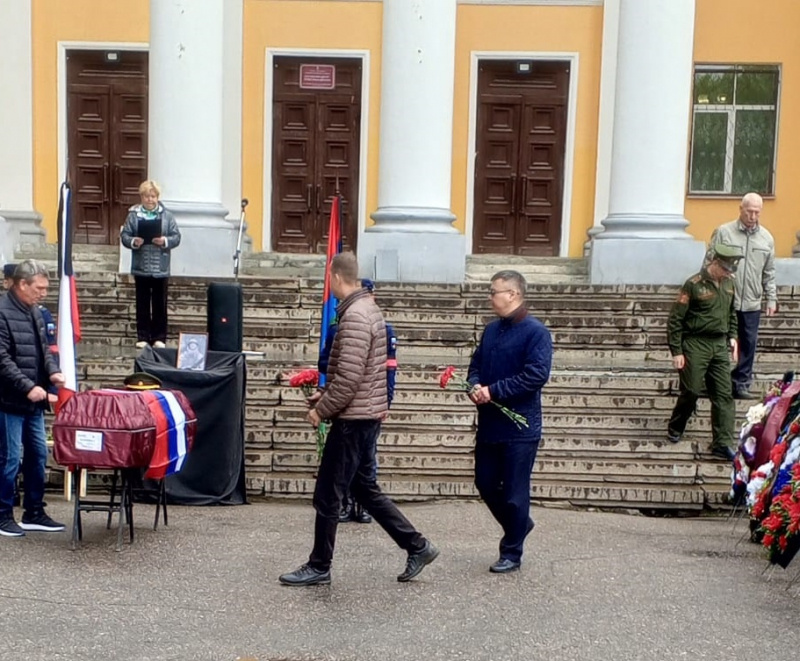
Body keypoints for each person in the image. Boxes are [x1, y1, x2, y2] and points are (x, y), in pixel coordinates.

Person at [279, 252, 438, 586]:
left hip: (354, 419)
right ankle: (417, 545)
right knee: (363, 488)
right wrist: (324, 394)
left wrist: (320, 410)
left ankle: (319, 565)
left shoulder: (354, 316)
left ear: (336, 277)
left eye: (328, 278)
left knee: (327, 493)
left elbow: (350, 380)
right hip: (365, 414)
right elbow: (357, 372)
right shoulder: (366, 309)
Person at [467, 270, 552, 574]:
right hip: (490, 422)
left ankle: (511, 552)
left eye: (494, 291)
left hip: (520, 427)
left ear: (513, 294)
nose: (491, 296)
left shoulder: (536, 332)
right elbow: (475, 364)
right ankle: (520, 526)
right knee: (485, 482)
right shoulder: (491, 330)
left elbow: (536, 375)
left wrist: (495, 391)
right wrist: (474, 385)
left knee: (515, 492)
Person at [318, 278, 398, 525]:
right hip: (352, 407)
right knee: (346, 478)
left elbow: (388, 368)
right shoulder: (339, 326)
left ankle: (362, 509)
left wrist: (386, 399)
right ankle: (345, 505)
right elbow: (328, 363)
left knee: (365, 468)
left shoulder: (381, 326)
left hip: (364, 409)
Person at [0, 260, 67, 537]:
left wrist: (53, 374)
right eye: (38, 288)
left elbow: (45, 351)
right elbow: (1, 359)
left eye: (46, 288)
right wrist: (28, 386)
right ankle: (3, 514)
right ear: (21, 284)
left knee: (39, 455)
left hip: (34, 400)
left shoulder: (36, 312)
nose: (43, 293)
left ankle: (34, 511)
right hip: (8, 400)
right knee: (10, 458)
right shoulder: (2, 312)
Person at [666, 244, 744, 461]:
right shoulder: (693, 285)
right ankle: (676, 425)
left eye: (731, 270)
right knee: (690, 390)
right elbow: (675, 320)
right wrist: (677, 351)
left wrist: (732, 336)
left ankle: (723, 442)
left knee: (723, 394)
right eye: (726, 269)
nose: (729, 273)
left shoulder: (729, 284)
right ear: (715, 263)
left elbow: (731, 314)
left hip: (719, 344)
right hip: (695, 343)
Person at [707, 192, 777, 399]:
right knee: (718, 341)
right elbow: (709, 262)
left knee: (748, 342)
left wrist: (771, 299)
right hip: (725, 299)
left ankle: (741, 383)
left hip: (752, 302)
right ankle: (712, 382)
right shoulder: (724, 232)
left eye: (757, 212)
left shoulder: (767, 238)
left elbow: (769, 272)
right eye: (749, 211)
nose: (753, 216)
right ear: (741, 209)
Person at [120, 180, 181, 350]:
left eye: (153, 196)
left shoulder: (167, 216)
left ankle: (159, 337)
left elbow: (176, 237)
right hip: (141, 265)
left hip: (160, 267)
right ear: (142, 197)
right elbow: (125, 235)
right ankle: (143, 336)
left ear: (157, 197)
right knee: (142, 303)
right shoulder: (133, 215)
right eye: (147, 196)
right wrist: (134, 241)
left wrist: (164, 241)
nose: (150, 200)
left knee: (160, 304)